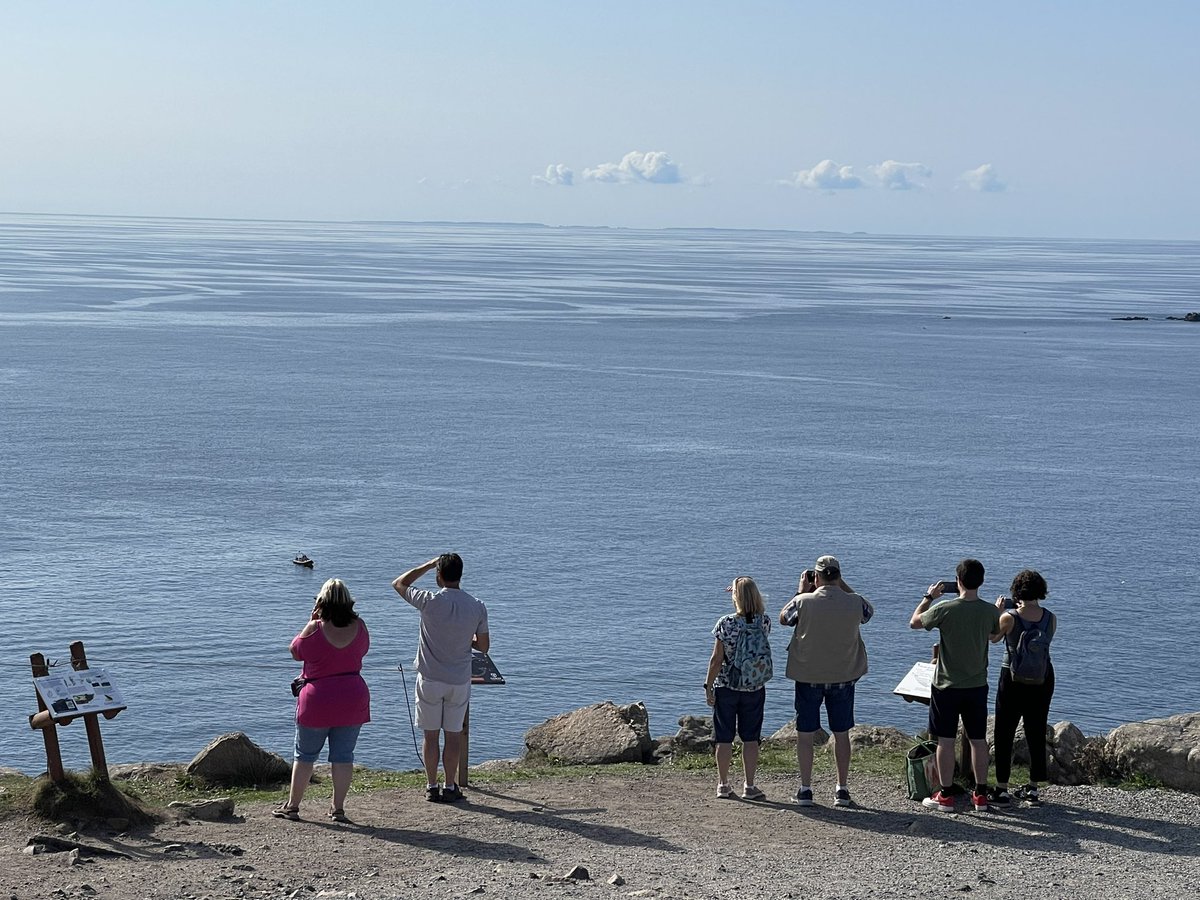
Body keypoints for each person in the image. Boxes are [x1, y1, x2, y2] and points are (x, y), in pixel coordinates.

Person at [392, 553, 489, 803]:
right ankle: (450, 785)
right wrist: (463, 637)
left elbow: (399, 583)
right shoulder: (476, 605)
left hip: (430, 678)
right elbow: (484, 646)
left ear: (438, 575)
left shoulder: (429, 601)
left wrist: (426, 563)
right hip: (458, 680)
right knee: (453, 736)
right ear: (461, 574)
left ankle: (431, 785)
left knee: (430, 736)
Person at [778, 555, 873, 808]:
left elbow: (784, 618)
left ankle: (806, 789)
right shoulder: (854, 602)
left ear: (816, 577)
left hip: (809, 676)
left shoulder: (803, 601)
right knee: (842, 735)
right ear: (838, 576)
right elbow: (868, 613)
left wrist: (800, 591)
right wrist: (842, 586)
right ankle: (841, 789)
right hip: (843, 677)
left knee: (805, 735)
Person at [909, 558, 1002, 813]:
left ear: (957, 581)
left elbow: (915, 622)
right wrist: (997, 610)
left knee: (945, 741)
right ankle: (981, 795)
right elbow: (995, 637)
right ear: (981, 582)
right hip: (976, 685)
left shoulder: (946, 608)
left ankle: (946, 795)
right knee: (978, 740)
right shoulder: (990, 612)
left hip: (946, 685)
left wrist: (929, 597)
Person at [275, 578, 370, 822]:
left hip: (317, 698)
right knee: (343, 755)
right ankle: (337, 808)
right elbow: (363, 650)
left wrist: (310, 621)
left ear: (320, 603)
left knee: (305, 755)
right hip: (352, 695)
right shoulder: (360, 626)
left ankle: (293, 805)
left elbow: (296, 652)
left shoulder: (315, 628)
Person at [989, 569, 1057, 807]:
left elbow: (992, 637)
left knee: (1004, 730)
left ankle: (1002, 788)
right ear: (1041, 591)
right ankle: (1034, 787)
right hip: (1042, 678)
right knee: (1036, 730)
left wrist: (996, 612)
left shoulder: (1009, 617)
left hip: (1012, 678)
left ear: (1016, 591)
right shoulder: (1050, 618)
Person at [704, 576, 772, 801]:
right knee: (750, 738)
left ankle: (723, 785)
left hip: (727, 686)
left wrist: (708, 686)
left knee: (724, 738)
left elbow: (716, 659)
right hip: (754, 686)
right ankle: (749, 786)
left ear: (735, 597)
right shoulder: (764, 621)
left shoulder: (726, 623)